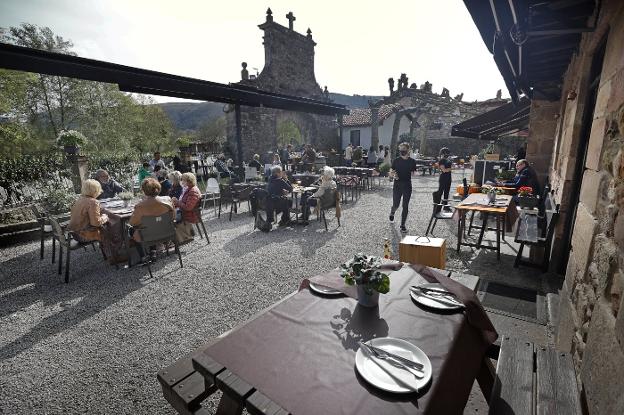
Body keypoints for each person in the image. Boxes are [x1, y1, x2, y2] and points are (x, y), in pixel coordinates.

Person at [128, 178, 175, 261]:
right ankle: (152, 251)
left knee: (131, 229)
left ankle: (143, 256)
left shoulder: (140, 206)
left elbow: (133, 222)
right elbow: (173, 217)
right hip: (167, 231)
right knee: (151, 225)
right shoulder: (168, 199)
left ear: (144, 190)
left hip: (149, 235)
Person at [389, 142, 418, 233]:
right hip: (397, 185)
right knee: (396, 205)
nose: (402, 151)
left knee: (405, 206)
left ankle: (402, 225)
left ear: (408, 150)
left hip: (407, 185)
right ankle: (392, 212)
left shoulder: (412, 161)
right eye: (400, 149)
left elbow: (414, 172)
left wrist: (416, 173)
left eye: (404, 149)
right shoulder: (396, 160)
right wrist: (392, 175)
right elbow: (391, 171)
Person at [172, 172, 202, 243]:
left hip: (190, 214)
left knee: (170, 220)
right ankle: (183, 237)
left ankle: (183, 238)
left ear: (189, 181)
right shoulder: (189, 189)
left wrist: (177, 202)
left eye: (183, 180)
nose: (181, 182)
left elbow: (188, 207)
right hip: (188, 212)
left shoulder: (192, 191)